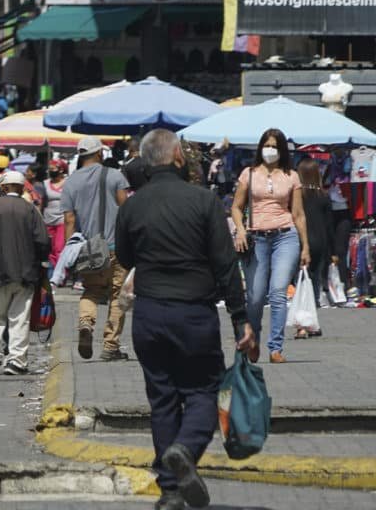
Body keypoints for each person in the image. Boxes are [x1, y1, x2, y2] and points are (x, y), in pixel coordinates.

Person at [115, 129, 256, 510]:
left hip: (149, 314)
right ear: (178, 156)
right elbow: (226, 265)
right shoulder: (204, 200)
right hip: (194, 313)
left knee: (162, 400)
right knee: (203, 391)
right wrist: (241, 319)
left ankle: (170, 491)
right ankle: (185, 449)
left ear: (145, 162)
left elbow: (125, 258)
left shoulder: (131, 206)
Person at [230, 129, 310, 363]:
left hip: (286, 236)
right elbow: (236, 207)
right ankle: (252, 338)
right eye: (267, 145)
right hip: (257, 239)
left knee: (277, 293)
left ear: (282, 150)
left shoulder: (292, 176)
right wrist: (241, 229)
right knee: (255, 297)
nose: (270, 150)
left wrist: (305, 246)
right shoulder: (249, 174)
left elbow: (298, 213)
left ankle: (275, 347)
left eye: (275, 146)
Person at [0, 170, 49, 376]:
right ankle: (16, 360)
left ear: (3, 188)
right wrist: (39, 264)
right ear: (22, 188)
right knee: (19, 318)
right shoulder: (30, 209)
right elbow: (42, 241)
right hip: (25, 273)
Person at [61, 136, 130, 362]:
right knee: (118, 295)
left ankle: (85, 323)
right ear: (100, 153)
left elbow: (69, 219)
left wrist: (69, 250)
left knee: (91, 290)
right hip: (117, 247)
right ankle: (110, 346)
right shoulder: (115, 176)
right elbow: (126, 209)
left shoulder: (70, 182)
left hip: (90, 248)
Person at [297, 157, 333, 335]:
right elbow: (329, 226)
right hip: (320, 242)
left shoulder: (297, 197)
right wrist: (332, 251)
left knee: (300, 281)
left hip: (299, 240)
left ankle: (301, 325)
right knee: (314, 281)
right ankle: (311, 322)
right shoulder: (324, 197)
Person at [42, 159, 68, 273]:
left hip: (62, 220)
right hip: (48, 220)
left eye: (53, 168)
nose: (51, 171)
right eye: (50, 169)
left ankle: (60, 274)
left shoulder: (68, 182)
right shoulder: (45, 183)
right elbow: (42, 201)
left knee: (59, 248)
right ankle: (52, 275)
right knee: (50, 250)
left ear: (61, 169)